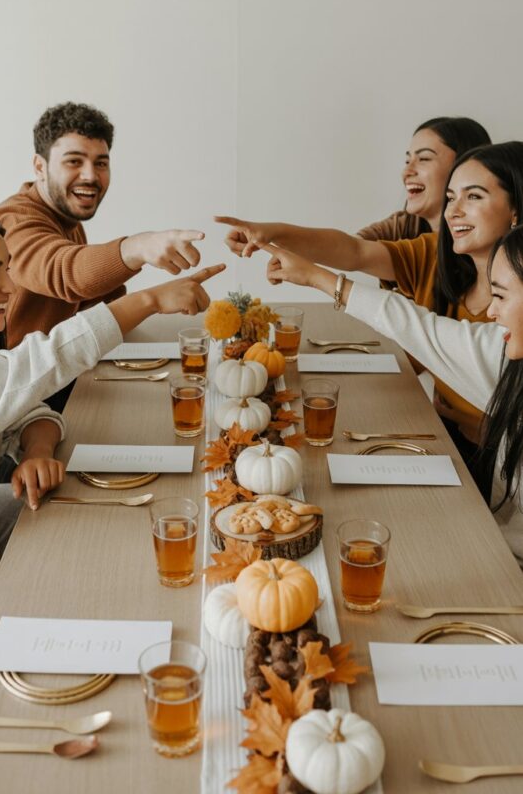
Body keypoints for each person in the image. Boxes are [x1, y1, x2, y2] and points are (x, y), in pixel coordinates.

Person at [0, 205, 224, 668]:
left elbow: (23, 406)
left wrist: (35, 447)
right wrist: (150, 300)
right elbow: (40, 362)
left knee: (91, 528)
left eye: (7, 269)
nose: (10, 288)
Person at [216, 142, 523, 495]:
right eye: (451, 197)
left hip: (497, 463)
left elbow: (414, 326)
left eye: (474, 197)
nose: (454, 211)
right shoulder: (436, 256)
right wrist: (272, 233)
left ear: (515, 208)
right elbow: (354, 250)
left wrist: (318, 278)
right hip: (450, 437)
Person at [262, 229, 523, 565]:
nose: (490, 312)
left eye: (500, 296)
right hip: (497, 543)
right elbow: (413, 325)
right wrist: (315, 276)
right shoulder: (500, 351)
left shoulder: (500, 352)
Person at [0, 101, 206, 353]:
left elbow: (81, 302)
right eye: (74, 161)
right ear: (40, 167)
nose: (90, 176)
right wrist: (139, 247)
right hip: (19, 387)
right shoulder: (13, 222)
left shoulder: (66, 219)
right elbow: (64, 272)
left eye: (101, 163)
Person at [358, 116, 491, 242]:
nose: (406, 172)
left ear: (464, 168)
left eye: (424, 159)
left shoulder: (485, 237)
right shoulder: (407, 224)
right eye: (407, 161)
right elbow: (354, 247)